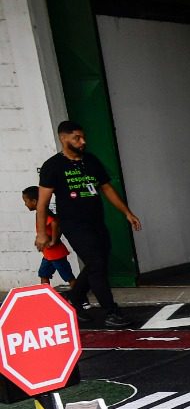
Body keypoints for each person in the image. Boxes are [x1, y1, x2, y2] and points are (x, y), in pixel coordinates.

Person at [35, 120, 141, 328]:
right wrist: (41, 233)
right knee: (96, 265)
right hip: (74, 224)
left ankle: (74, 300)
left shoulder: (90, 161)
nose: (82, 142)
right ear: (63, 138)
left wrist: (127, 212)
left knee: (97, 262)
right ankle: (111, 311)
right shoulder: (52, 166)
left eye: (83, 137)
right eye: (77, 138)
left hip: (96, 222)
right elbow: (42, 204)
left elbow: (107, 188)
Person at [22, 186, 76, 292]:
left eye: (26, 201)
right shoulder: (40, 212)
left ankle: (82, 299)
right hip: (48, 254)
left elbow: (55, 223)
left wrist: (53, 241)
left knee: (68, 277)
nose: (25, 204)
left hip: (56, 254)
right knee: (43, 274)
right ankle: (46, 297)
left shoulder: (44, 213)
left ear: (34, 201)